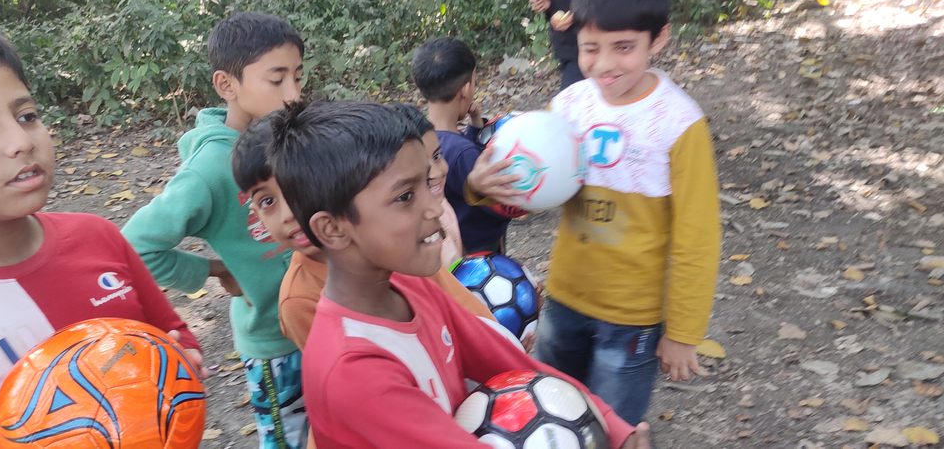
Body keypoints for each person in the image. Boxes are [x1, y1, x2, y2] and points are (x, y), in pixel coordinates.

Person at [266, 100, 651, 449]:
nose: (435, 208)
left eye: (427, 183)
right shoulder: (351, 371)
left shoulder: (410, 285)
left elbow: (512, 363)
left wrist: (615, 428)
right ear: (333, 229)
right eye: (405, 196)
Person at [0, 22, 201, 448]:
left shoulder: (98, 237)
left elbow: (173, 336)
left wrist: (180, 368)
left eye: (27, 116)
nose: (21, 140)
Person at [475, 0, 722, 425]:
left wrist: (684, 332)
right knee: (551, 412)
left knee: (611, 425)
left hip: (632, 321)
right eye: (590, 48)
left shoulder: (679, 123)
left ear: (659, 39)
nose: (605, 64)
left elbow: (698, 238)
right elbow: (537, 192)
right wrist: (484, 188)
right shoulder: (569, 105)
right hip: (564, 299)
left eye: (624, 47)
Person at [121, 12, 305, 448]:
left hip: (321, 318)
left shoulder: (290, 138)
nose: (294, 94)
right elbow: (134, 247)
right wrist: (214, 269)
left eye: (298, 77)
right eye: (276, 79)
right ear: (226, 85)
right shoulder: (208, 169)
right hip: (275, 343)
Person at [230, 104, 494, 351]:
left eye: (296, 191)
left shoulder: (398, 244)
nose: (289, 214)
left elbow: (472, 318)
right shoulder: (299, 302)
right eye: (267, 201)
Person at [411, 37, 524, 254]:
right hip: (478, 248)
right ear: (465, 89)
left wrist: (474, 127)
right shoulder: (463, 152)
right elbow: (495, 204)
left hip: (452, 240)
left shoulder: (422, 136)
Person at [528, 0, 609, 90]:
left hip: (585, 48)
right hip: (563, 47)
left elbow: (605, 1)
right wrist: (547, 3)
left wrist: (576, 16)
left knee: (571, 96)